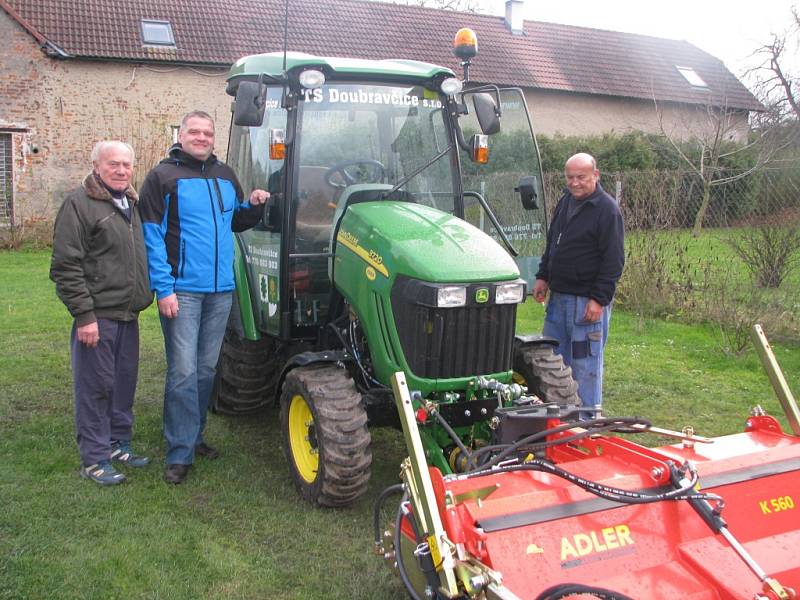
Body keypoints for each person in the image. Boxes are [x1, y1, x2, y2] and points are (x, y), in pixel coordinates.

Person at [139, 111, 268, 484]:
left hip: (221, 291)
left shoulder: (225, 175)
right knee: (183, 371)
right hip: (183, 290)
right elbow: (151, 237)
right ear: (181, 135)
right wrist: (164, 289)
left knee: (206, 370)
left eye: (207, 132)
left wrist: (255, 206)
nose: (201, 137)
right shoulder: (162, 177)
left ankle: (194, 437)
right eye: (194, 131)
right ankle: (179, 452)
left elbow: (236, 221)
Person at [50, 140, 153, 486]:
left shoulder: (130, 203)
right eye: (113, 164)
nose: (121, 170)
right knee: (95, 387)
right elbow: (65, 266)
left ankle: (117, 444)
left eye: (126, 164)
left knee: (123, 383)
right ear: (96, 166)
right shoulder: (79, 205)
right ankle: (94, 459)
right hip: (98, 317)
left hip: (128, 315)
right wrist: (84, 316)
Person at [533, 153, 625, 419]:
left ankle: (585, 423)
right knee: (552, 362)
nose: (575, 183)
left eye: (581, 177)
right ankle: (557, 421)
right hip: (559, 300)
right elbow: (553, 244)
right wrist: (543, 276)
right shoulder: (565, 203)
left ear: (595, 175)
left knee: (585, 365)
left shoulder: (607, 211)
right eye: (570, 177)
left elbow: (614, 261)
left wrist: (599, 299)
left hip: (586, 304)